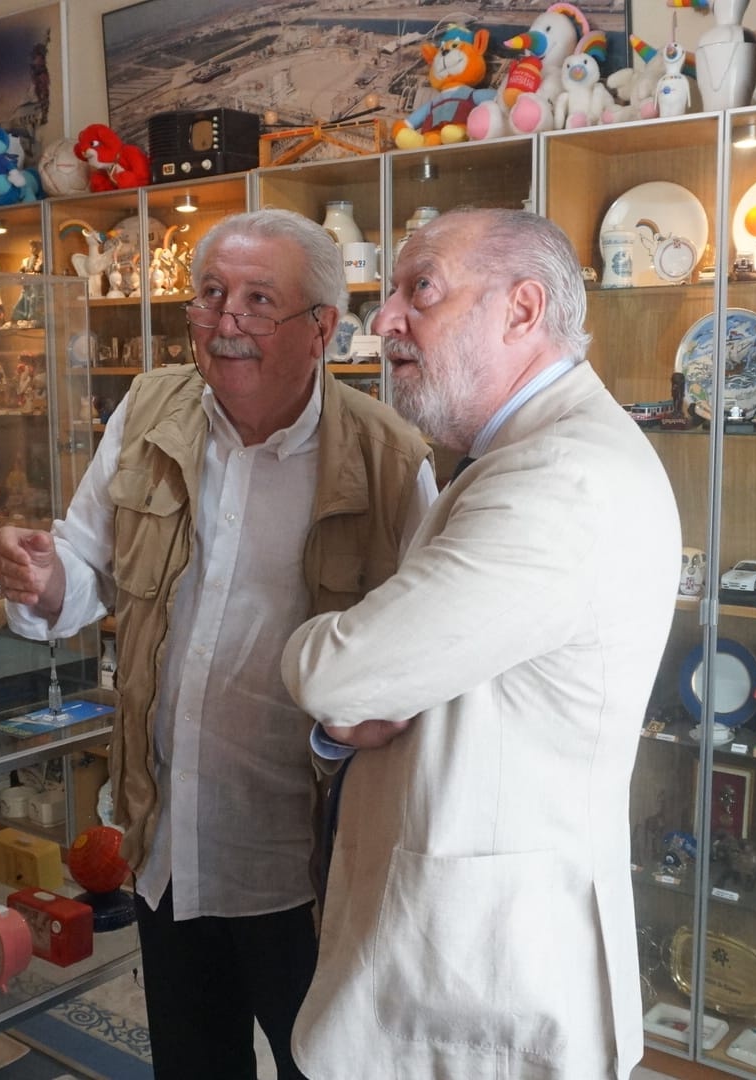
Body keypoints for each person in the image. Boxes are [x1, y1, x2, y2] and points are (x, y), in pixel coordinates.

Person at [0, 208, 436, 1079]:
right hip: (170, 842)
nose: (226, 320)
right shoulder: (149, 412)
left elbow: (423, 661)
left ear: (322, 330)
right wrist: (44, 578)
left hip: (307, 868)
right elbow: (88, 564)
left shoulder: (389, 462)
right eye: (210, 294)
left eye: (259, 299)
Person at [279, 208, 682, 1078]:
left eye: (420, 289)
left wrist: (314, 654)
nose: (385, 318)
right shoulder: (522, 454)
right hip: (459, 955)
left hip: (486, 982)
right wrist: (355, 706)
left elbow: (341, 672)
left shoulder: (560, 478)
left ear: (522, 310)